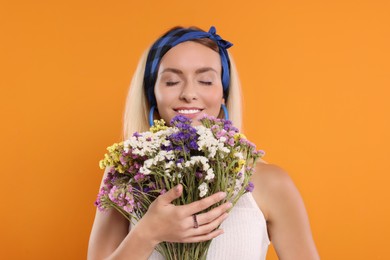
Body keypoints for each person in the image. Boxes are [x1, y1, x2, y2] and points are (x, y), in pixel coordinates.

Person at [88, 25, 320, 260]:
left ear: (223, 94)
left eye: (206, 81)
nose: (189, 93)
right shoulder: (124, 176)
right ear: (152, 94)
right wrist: (147, 234)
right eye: (171, 82)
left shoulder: (271, 183)